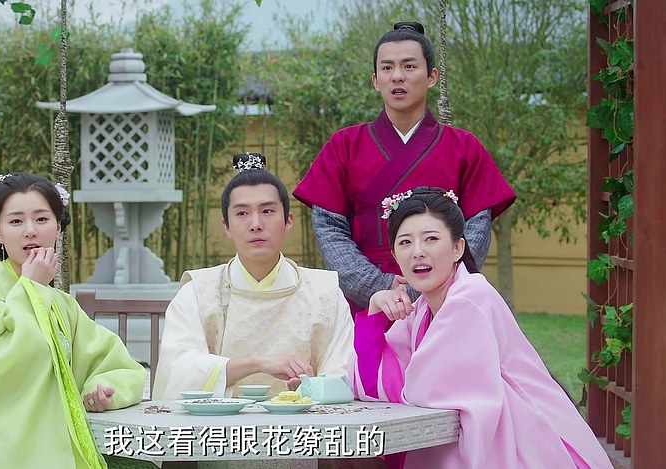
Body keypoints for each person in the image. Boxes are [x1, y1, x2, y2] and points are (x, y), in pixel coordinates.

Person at [350, 187, 612, 468]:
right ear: (394, 255)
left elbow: (422, 391)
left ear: (458, 248)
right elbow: (371, 383)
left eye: (431, 239)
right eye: (405, 243)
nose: (418, 252)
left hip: (522, 436)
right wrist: (375, 312)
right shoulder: (423, 309)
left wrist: (403, 380)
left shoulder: (469, 299)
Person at [0, 173, 147, 469]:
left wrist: (102, 389)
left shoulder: (62, 305)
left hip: (51, 446)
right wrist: (31, 288)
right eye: (16, 221)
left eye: (42, 219)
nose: (30, 231)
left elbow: (118, 365)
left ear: (58, 228)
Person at [293, 22, 516, 311]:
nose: (397, 76)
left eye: (409, 66)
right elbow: (329, 228)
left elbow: (475, 228)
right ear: (376, 80)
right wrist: (376, 285)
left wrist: (429, 284)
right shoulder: (344, 145)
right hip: (366, 303)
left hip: (442, 300)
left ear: (432, 76)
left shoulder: (464, 147)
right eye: (387, 68)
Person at [152, 153, 354, 400]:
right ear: (226, 226)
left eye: (267, 211)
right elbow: (178, 370)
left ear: (288, 221)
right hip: (217, 424)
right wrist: (258, 363)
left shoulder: (325, 293)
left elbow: (341, 373)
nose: (256, 224)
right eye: (242, 213)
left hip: (301, 420)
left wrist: (310, 390)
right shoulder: (198, 292)